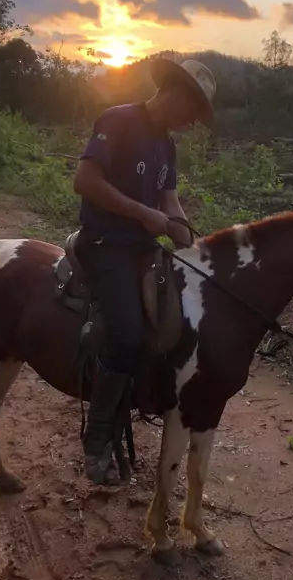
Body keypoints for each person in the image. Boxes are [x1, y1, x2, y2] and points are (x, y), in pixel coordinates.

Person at [73, 58, 216, 486]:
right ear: (176, 93)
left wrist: (191, 243)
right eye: (193, 111)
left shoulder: (167, 146)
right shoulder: (117, 120)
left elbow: (169, 202)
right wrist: (142, 214)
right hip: (104, 242)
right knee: (127, 333)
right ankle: (96, 440)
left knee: (175, 319)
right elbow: (85, 181)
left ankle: (136, 403)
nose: (192, 121)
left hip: (141, 247)